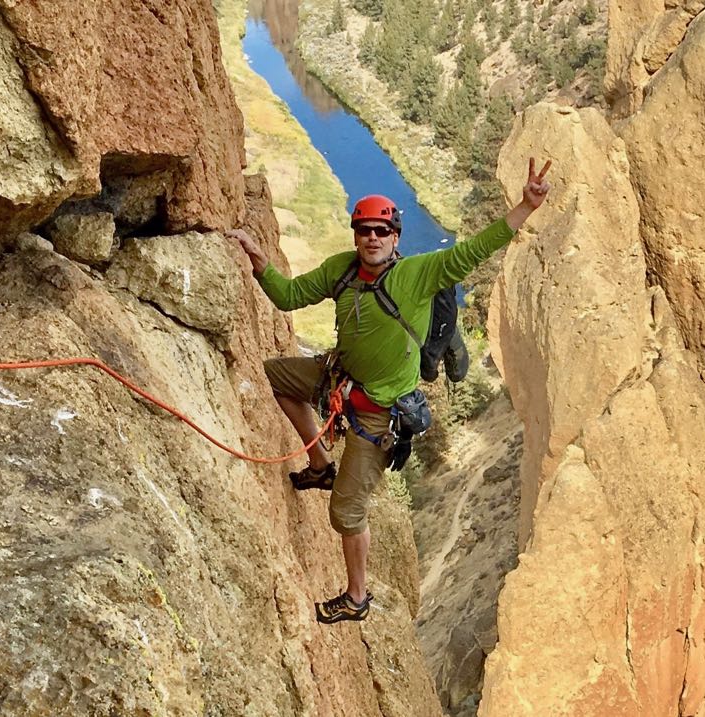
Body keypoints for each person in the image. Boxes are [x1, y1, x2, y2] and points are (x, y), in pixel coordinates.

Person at [227, 158, 553, 624]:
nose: (373, 238)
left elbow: (475, 251)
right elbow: (290, 296)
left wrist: (525, 206)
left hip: (378, 415)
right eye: (365, 231)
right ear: (356, 236)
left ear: (396, 238)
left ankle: (357, 598)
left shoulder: (416, 275)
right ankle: (320, 466)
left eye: (382, 231)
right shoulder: (342, 270)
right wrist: (261, 265)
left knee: (346, 512)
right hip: (338, 379)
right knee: (275, 376)